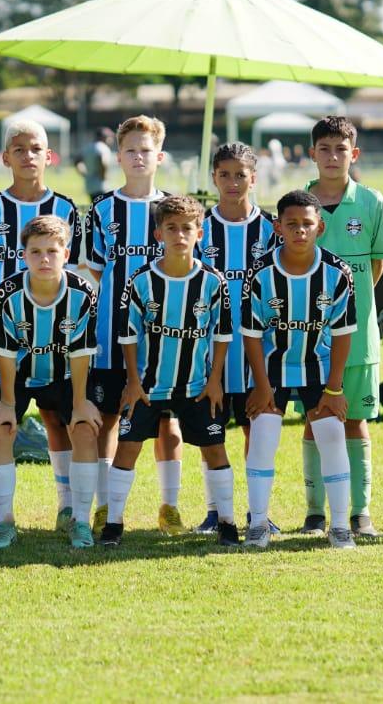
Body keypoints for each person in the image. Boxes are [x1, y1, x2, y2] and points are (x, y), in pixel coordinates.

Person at [100, 195, 239, 548]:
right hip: (148, 386)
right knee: (128, 448)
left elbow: (221, 334)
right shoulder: (142, 280)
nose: (180, 235)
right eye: (171, 228)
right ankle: (113, 524)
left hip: (196, 386)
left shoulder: (212, 281)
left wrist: (214, 380)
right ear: (158, 234)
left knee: (215, 449)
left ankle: (227, 523)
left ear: (200, 233)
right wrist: (132, 381)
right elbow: (128, 335)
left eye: (187, 228)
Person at [0, 119, 83, 531]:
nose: (28, 155)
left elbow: (72, 275)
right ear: (5, 157)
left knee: (57, 420)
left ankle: (67, 503)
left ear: (48, 155)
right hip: (8, 343)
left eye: (36, 148)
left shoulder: (67, 208)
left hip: (56, 342)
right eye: (18, 149)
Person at [242, 189, 358, 550]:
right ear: (277, 227)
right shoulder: (259, 273)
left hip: (318, 368)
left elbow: (341, 335)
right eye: (291, 224)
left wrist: (334, 389)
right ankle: (258, 525)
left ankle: (340, 527)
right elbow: (251, 336)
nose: (300, 231)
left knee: (332, 439)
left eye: (307, 224)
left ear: (320, 227)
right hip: (271, 369)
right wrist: (260, 387)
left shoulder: (337, 273)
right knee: (262, 440)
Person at [84, 115, 183, 534]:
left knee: (167, 422)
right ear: (118, 156)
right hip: (110, 335)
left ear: (159, 156)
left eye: (146, 150)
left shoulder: (173, 210)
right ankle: (106, 506)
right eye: (130, 150)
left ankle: (169, 507)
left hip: (165, 341)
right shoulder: (102, 210)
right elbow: (93, 271)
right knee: (109, 419)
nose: (138, 156)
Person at [299, 116, 383, 538]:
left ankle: (361, 512)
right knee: (314, 419)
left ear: (353, 155)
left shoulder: (372, 202)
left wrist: (348, 308)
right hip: (307, 336)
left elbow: (375, 267)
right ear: (312, 153)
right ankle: (315, 512)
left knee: (355, 420)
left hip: (357, 338)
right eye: (325, 149)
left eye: (341, 149)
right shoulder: (299, 205)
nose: (333, 157)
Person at [0, 216, 99, 549]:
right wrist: (7, 404)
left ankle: (80, 520)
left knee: (84, 428)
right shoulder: (9, 292)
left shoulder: (81, 292)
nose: (44, 259)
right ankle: (4, 522)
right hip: (18, 375)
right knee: (0, 430)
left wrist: (80, 403)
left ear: (66, 254)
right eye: (35, 252)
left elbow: (80, 354)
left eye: (52, 251)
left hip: (65, 373)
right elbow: (5, 354)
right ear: (23, 256)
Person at [193, 142, 278, 534]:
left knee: (256, 427)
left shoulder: (272, 229)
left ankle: (257, 511)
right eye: (224, 174)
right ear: (213, 177)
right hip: (208, 350)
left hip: (259, 349)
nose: (232, 182)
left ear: (253, 178)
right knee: (212, 431)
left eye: (240, 175)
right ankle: (216, 510)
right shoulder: (199, 228)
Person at [75, 127, 114, 199]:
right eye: (110, 137)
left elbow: (77, 161)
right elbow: (102, 160)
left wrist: (84, 174)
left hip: (90, 186)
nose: (111, 139)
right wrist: (103, 176)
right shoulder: (102, 147)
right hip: (102, 186)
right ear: (104, 137)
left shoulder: (87, 147)